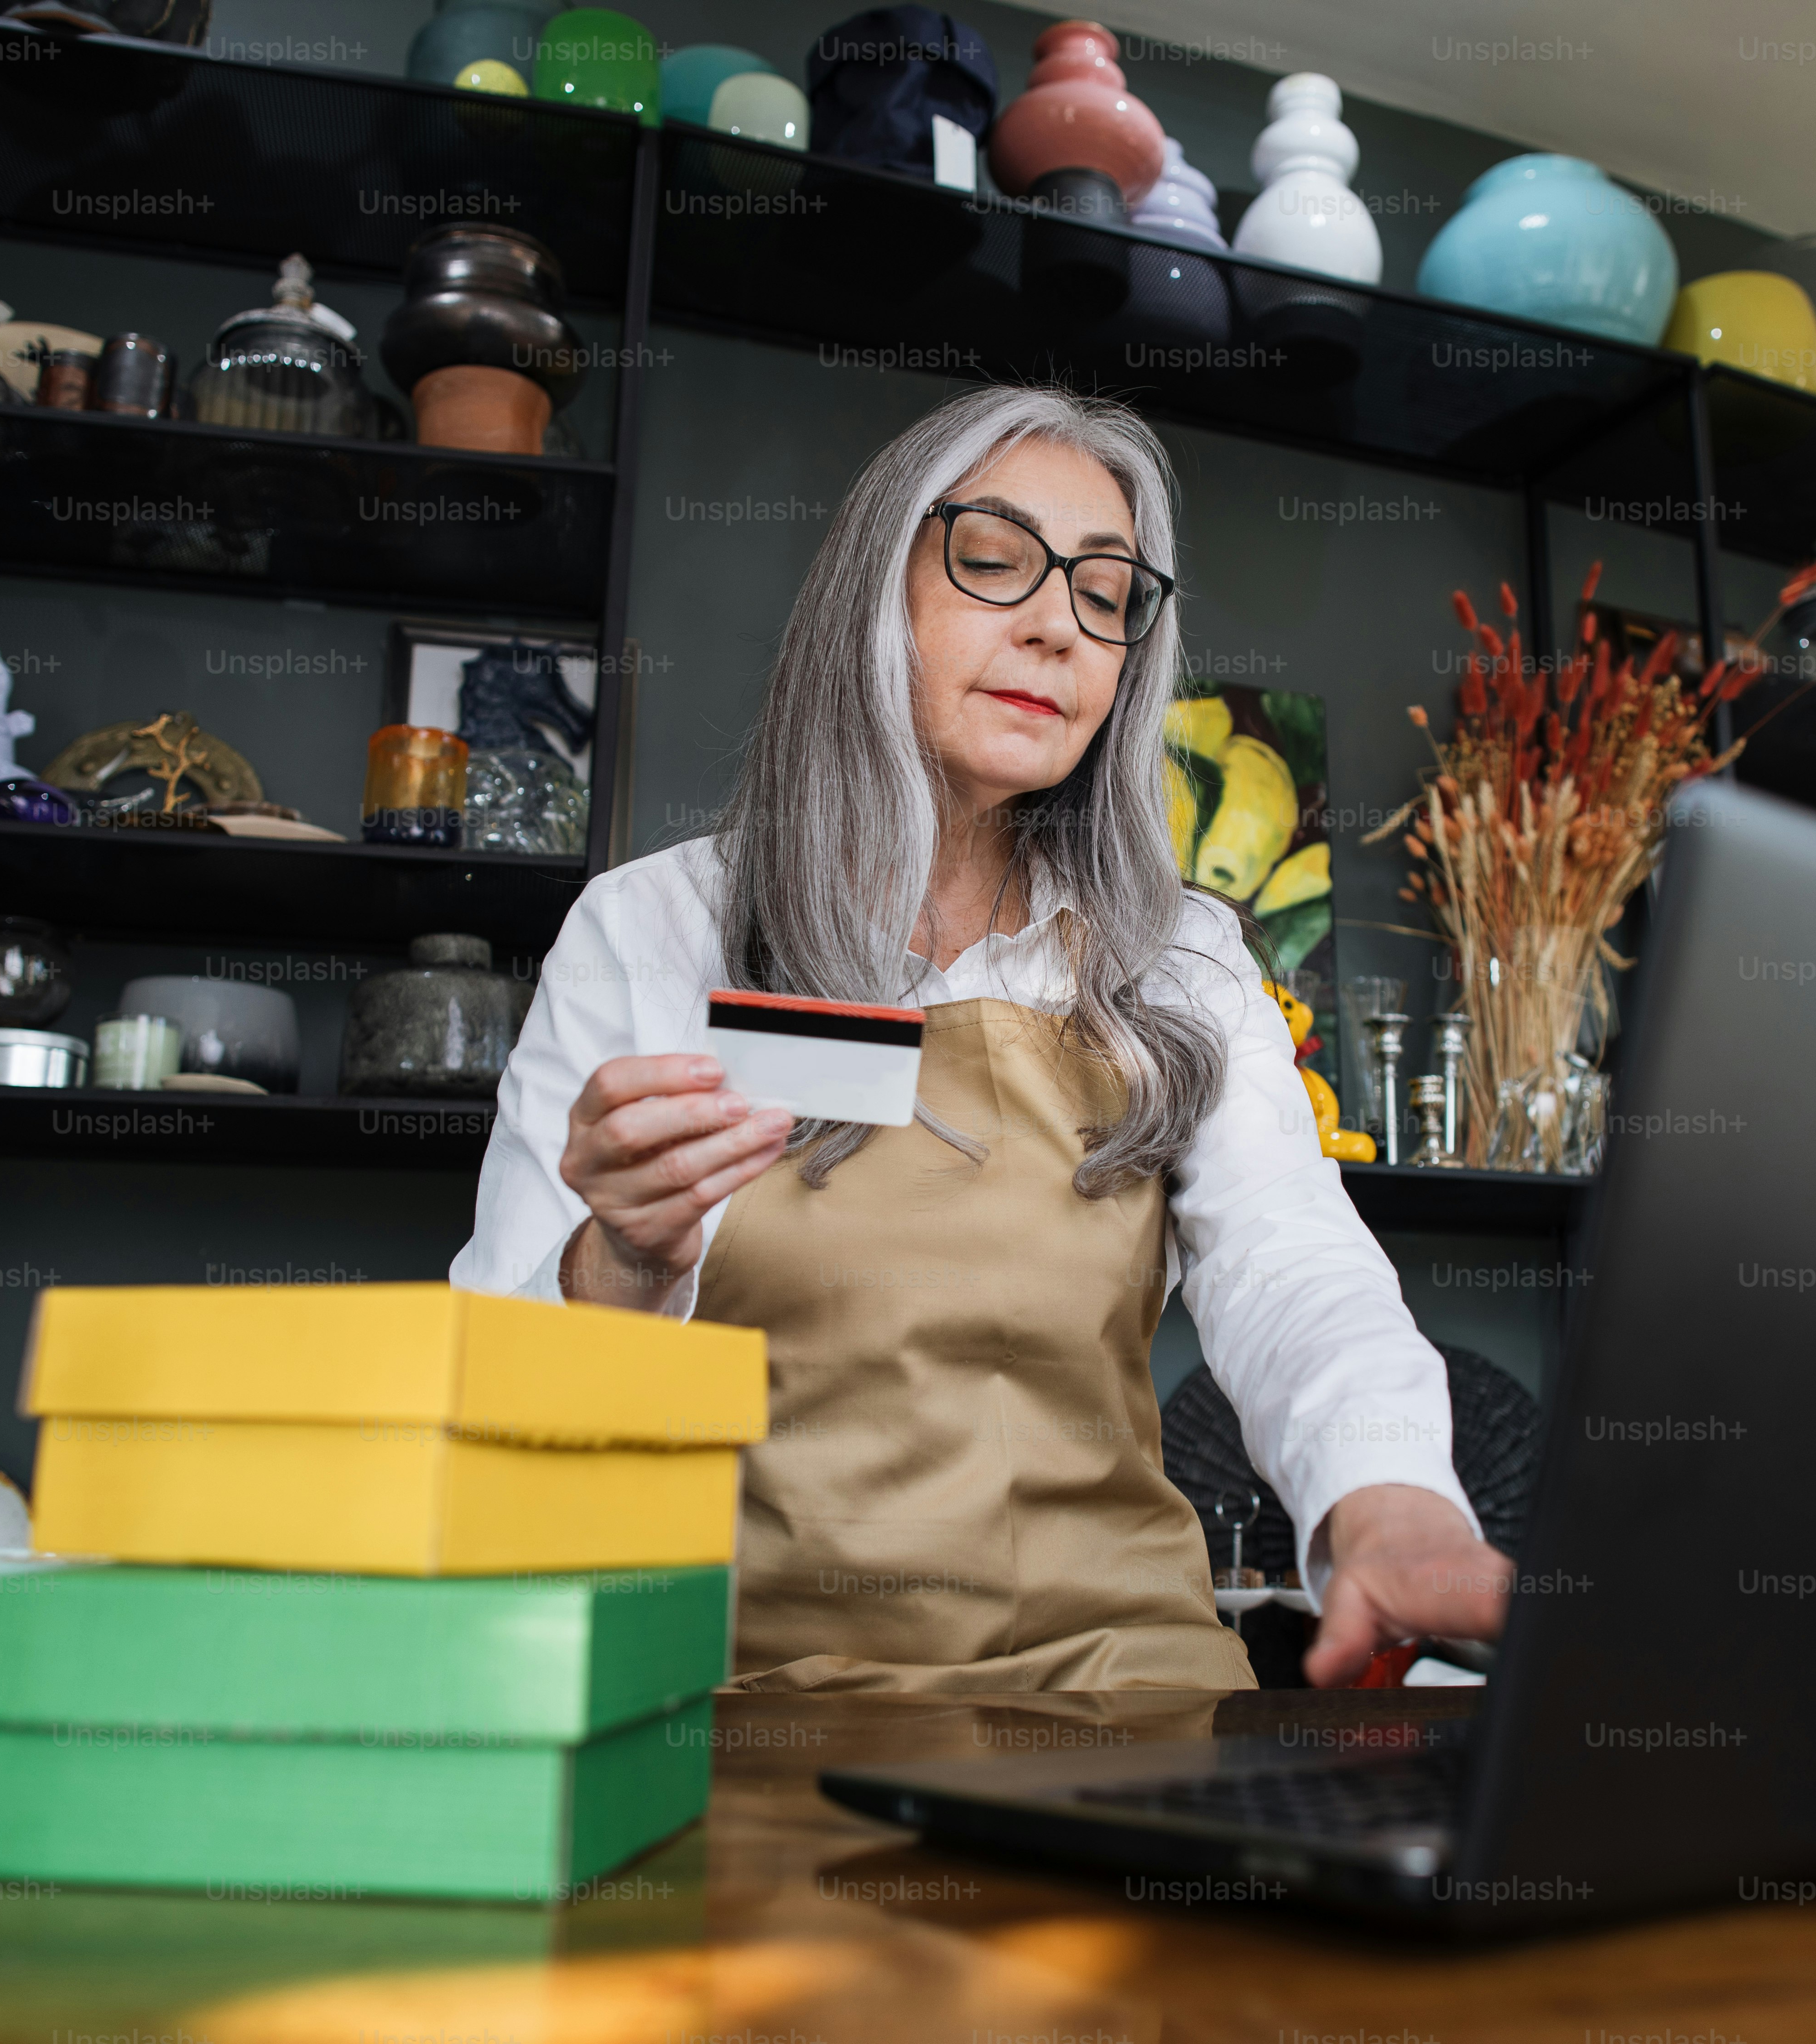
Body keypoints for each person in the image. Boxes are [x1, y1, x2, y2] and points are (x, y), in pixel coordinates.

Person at [454, 386, 1509, 1689]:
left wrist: (1393, 1509)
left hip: (1127, 1710)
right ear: (872, 592)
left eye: (1108, 596)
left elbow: (1297, 1274)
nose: (1059, 625)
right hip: (740, 1717)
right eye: (996, 561)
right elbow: (499, 1392)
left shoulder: (1180, 958)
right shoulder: (654, 929)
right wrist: (621, 1252)